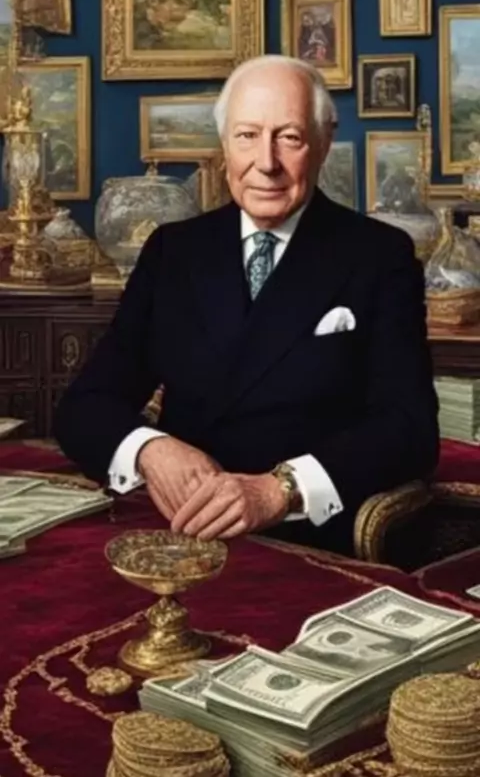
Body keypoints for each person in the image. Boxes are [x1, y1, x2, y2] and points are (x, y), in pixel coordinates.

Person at [54, 55, 439, 555]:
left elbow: (409, 428)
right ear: (224, 145)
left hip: (306, 542)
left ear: (324, 142)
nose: (266, 162)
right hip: (178, 531)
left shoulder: (379, 256)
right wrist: (151, 449)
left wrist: (281, 489)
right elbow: (85, 405)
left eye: (289, 137)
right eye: (247, 136)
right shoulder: (173, 251)